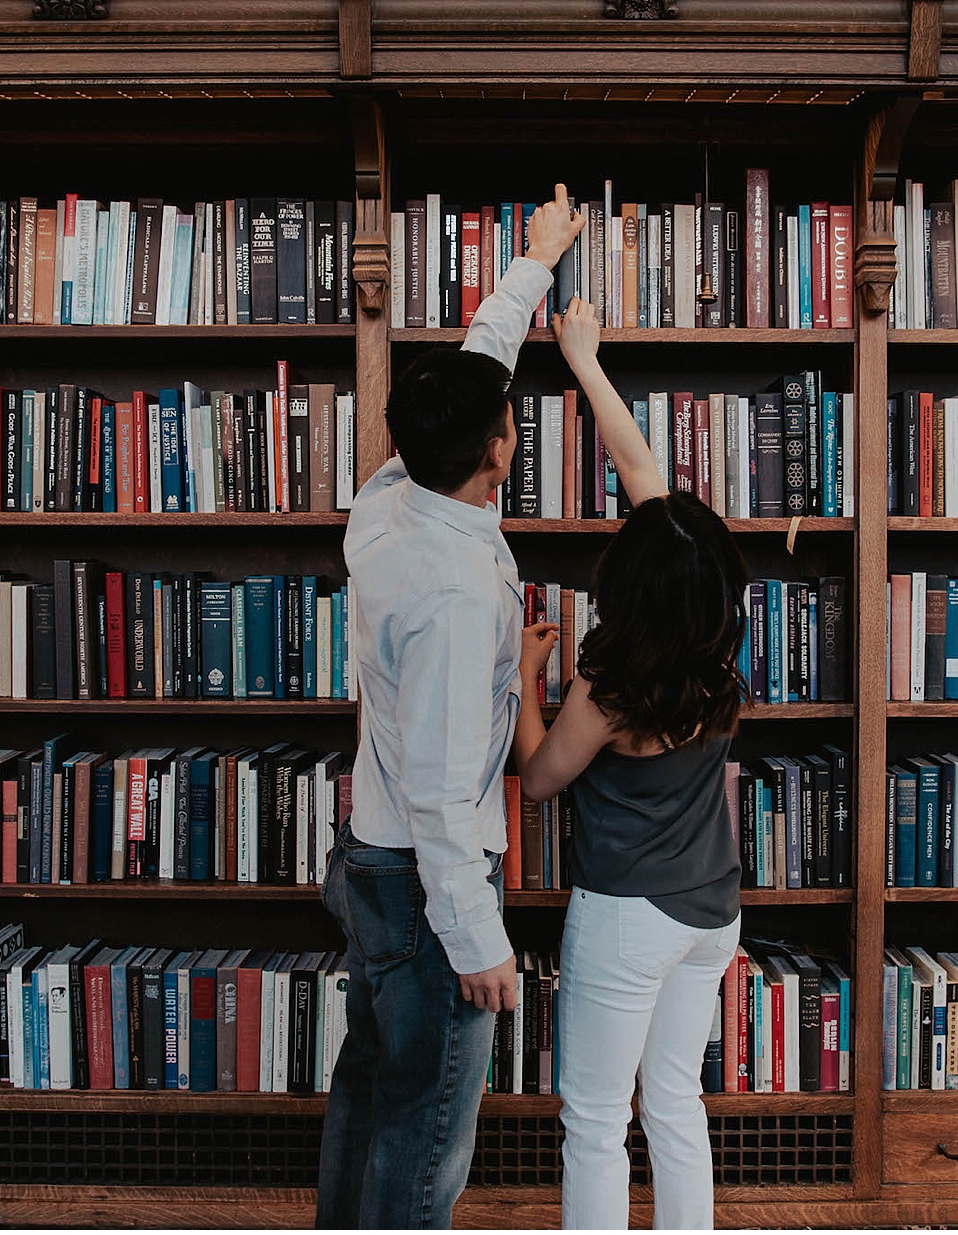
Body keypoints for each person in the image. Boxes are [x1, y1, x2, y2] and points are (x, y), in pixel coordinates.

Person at [317, 185, 585, 1230]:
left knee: (370, 1085)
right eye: (509, 425)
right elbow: (437, 790)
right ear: (495, 454)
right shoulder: (455, 593)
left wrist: (534, 263)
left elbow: (481, 364)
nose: (512, 427)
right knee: (426, 1132)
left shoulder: (389, 493)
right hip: (425, 889)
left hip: (370, 859)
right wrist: (475, 942)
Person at [512, 295, 748, 1231]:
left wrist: (527, 681)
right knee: (678, 1106)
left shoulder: (612, 684)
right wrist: (587, 363)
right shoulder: (714, 634)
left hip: (629, 917)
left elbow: (538, 779)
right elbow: (645, 472)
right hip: (712, 911)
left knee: (598, 1120)